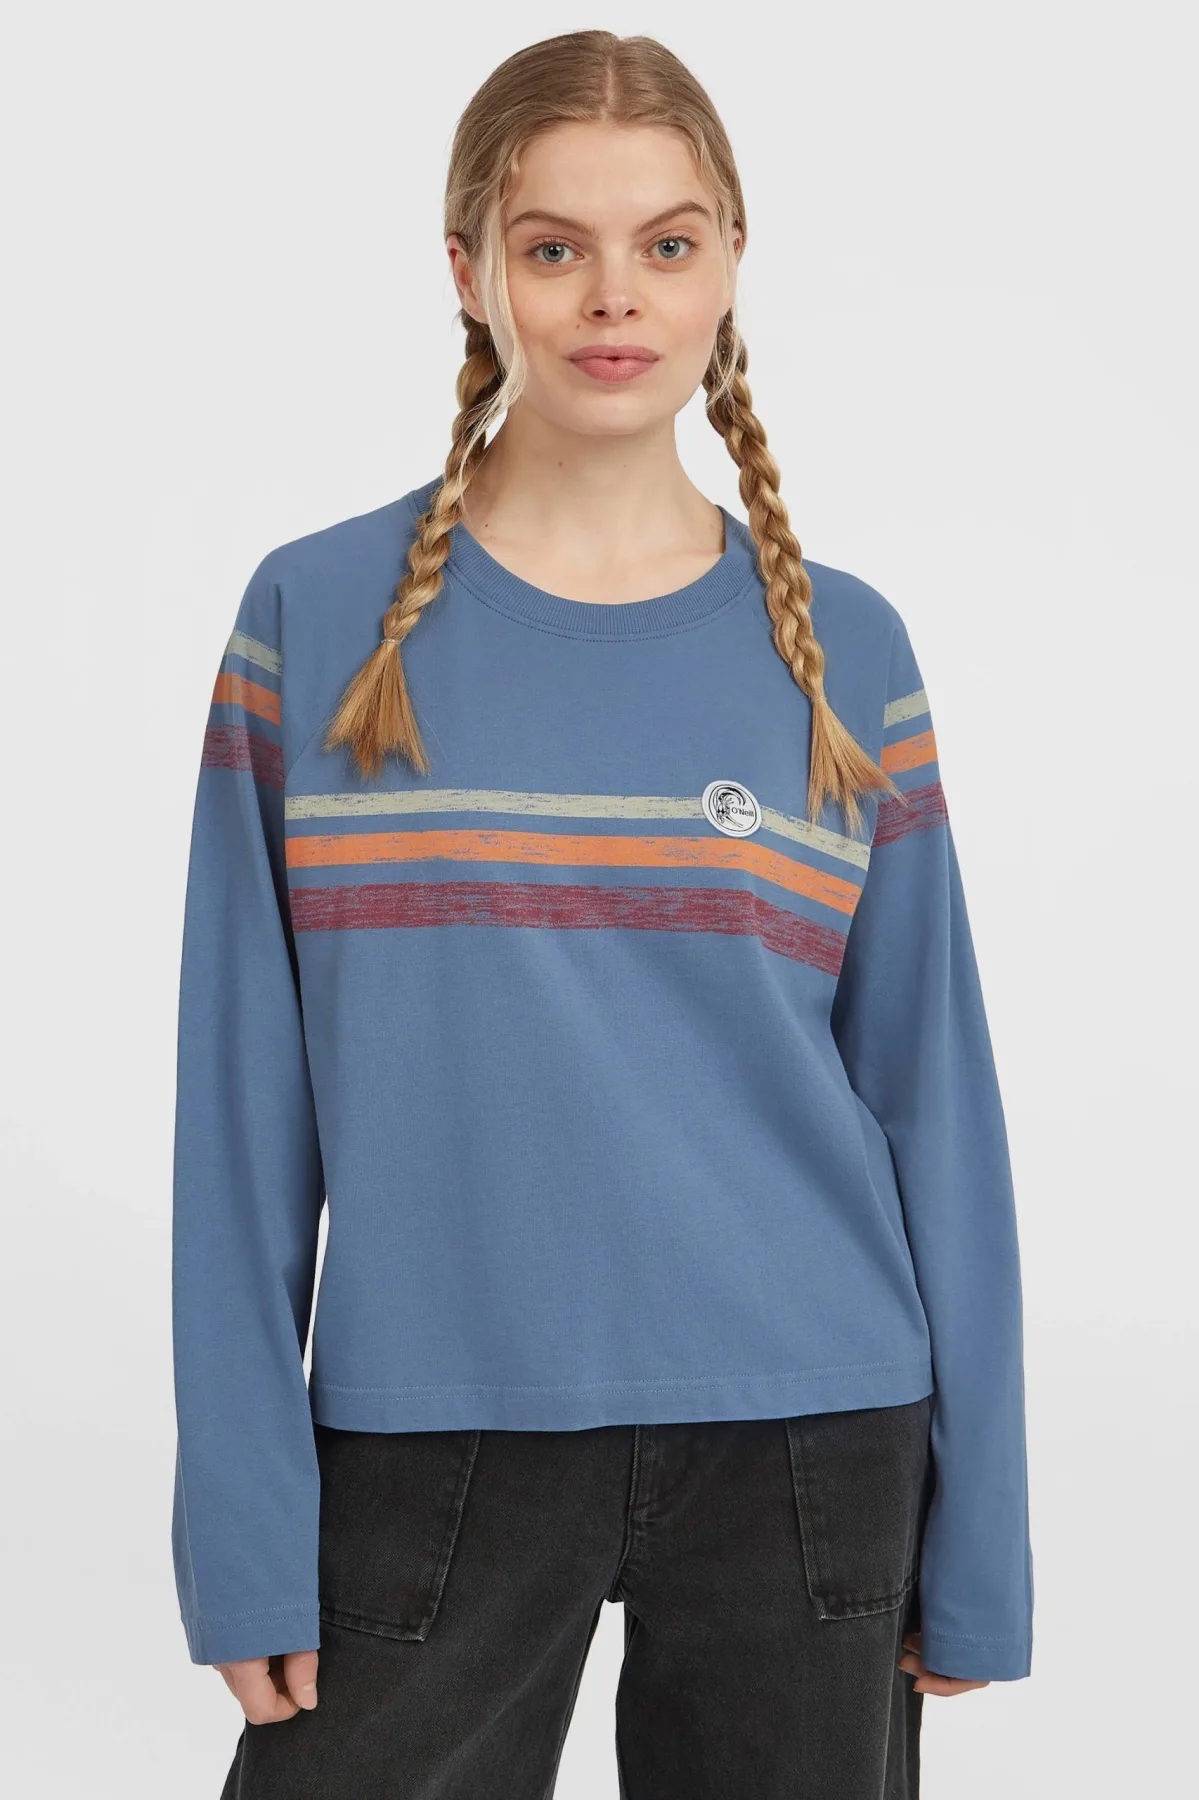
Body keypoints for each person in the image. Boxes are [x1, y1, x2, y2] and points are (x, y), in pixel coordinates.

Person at [171, 28, 1034, 1799]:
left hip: (808, 1439)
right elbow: (239, 1107)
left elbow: (933, 1100)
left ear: (729, 265)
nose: (612, 295)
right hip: (429, 1436)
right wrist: (244, 1516)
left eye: (667, 242)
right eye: (554, 245)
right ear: (469, 271)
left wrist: (987, 1535)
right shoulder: (319, 619)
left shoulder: (843, 648)